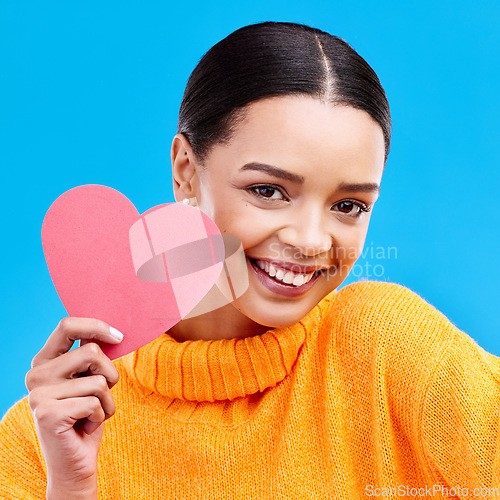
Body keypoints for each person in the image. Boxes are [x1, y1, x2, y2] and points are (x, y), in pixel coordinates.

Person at [1, 20, 499, 499]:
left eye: (348, 206)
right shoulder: (43, 436)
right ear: (186, 173)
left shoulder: (388, 350)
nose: (309, 241)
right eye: (268, 190)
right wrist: (70, 489)